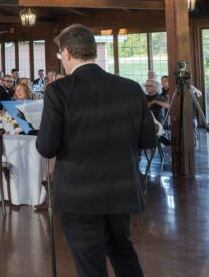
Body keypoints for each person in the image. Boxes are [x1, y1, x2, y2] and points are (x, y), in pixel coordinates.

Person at [37, 24, 155, 277]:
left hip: (80, 195)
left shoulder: (59, 91)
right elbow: (148, 141)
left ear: (67, 53)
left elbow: (46, 147)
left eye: (60, 55)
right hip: (121, 189)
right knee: (123, 253)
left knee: (91, 265)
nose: (61, 60)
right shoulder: (131, 88)